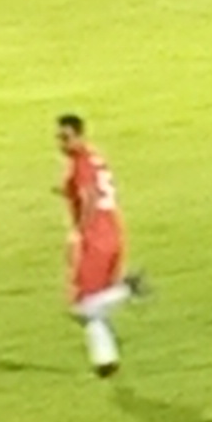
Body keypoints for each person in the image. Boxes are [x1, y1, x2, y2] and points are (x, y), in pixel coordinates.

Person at [56, 115, 150, 377]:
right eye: (59, 138)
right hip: (112, 233)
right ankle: (105, 361)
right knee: (92, 304)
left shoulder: (80, 164)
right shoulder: (95, 159)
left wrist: (78, 232)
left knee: (82, 304)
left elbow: (90, 197)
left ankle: (128, 290)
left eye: (66, 137)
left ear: (79, 136)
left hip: (95, 239)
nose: (61, 143)